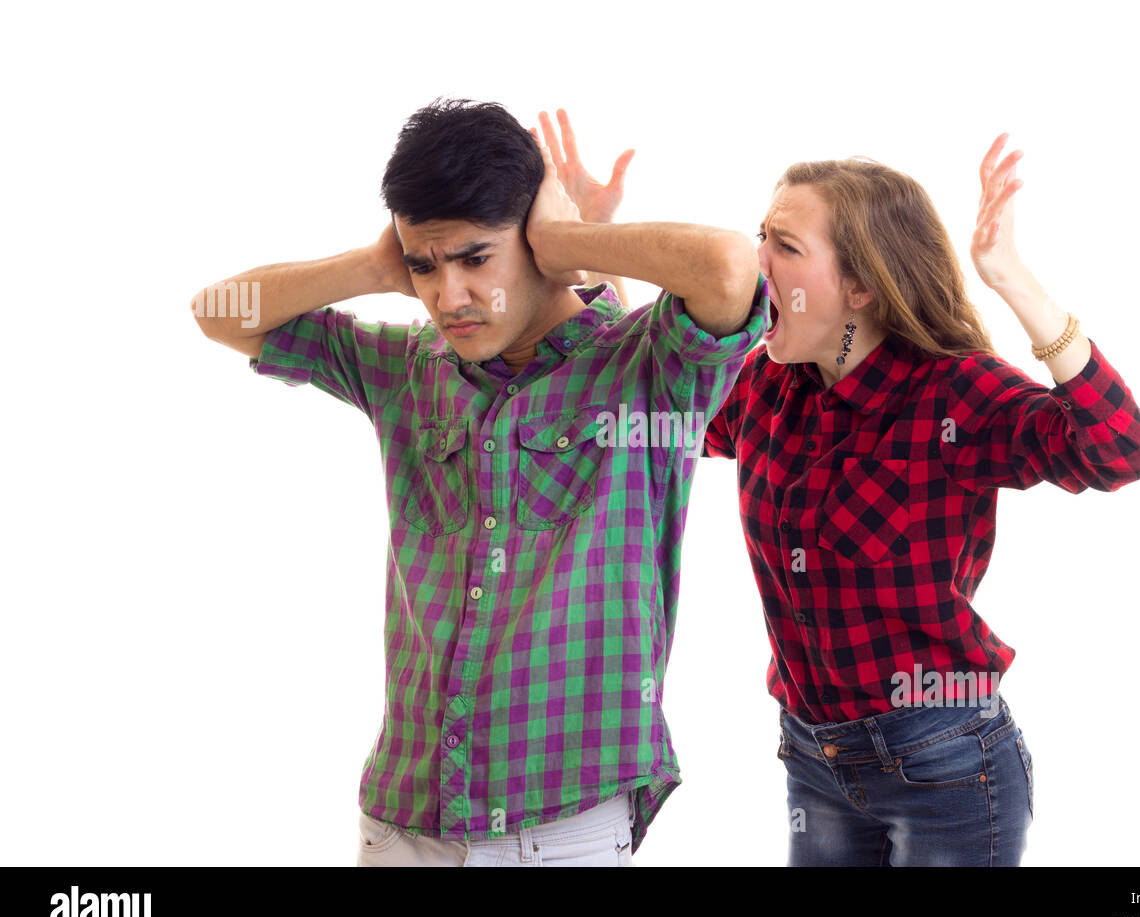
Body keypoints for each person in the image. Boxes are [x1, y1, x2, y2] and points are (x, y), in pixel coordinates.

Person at [190, 98, 768, 866]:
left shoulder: (646, 369)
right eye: (426, 266)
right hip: (404, 825)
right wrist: (373, 266)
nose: (447, 296)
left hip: (561, 828)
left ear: (533, 239)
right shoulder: (404, 367)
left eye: (475, 258)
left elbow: (730, 269)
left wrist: (570, 239)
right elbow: (219, 313)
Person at [701, 136, 1140, 865]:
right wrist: (590, 259)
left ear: (860, 286)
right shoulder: (765, 387)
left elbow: (1118, 449)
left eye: (783, 245)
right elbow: (653, 405)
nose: (755, 262)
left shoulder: (955, 393)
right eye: (760, 236)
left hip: (944, 762)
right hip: (812, 760)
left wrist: (1012, 281)